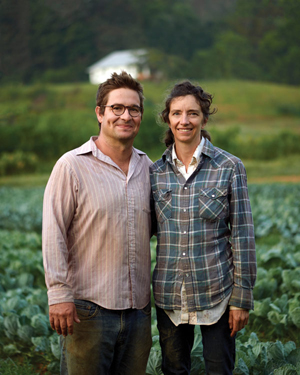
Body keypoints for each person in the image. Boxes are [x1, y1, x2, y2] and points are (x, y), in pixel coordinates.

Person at [42, 71, 152, 375]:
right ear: (100, 113)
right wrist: (59, 295)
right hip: (88, 312)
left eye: (134, 109)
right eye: (117, 108)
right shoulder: (72, 166)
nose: (125, 116)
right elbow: (54, 234)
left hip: (139, 313)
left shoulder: (149, 168)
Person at [150, 81, 257, 375]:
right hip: (170, 295)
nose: (184, 121)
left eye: (193, 113)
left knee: (219, 369)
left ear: (204, 118)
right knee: (173, 370)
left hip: (217, 293)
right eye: (177, 113)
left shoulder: (229, 166)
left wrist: (241, 299)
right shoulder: (154, 172)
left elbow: (244, 235)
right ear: (167, 118)